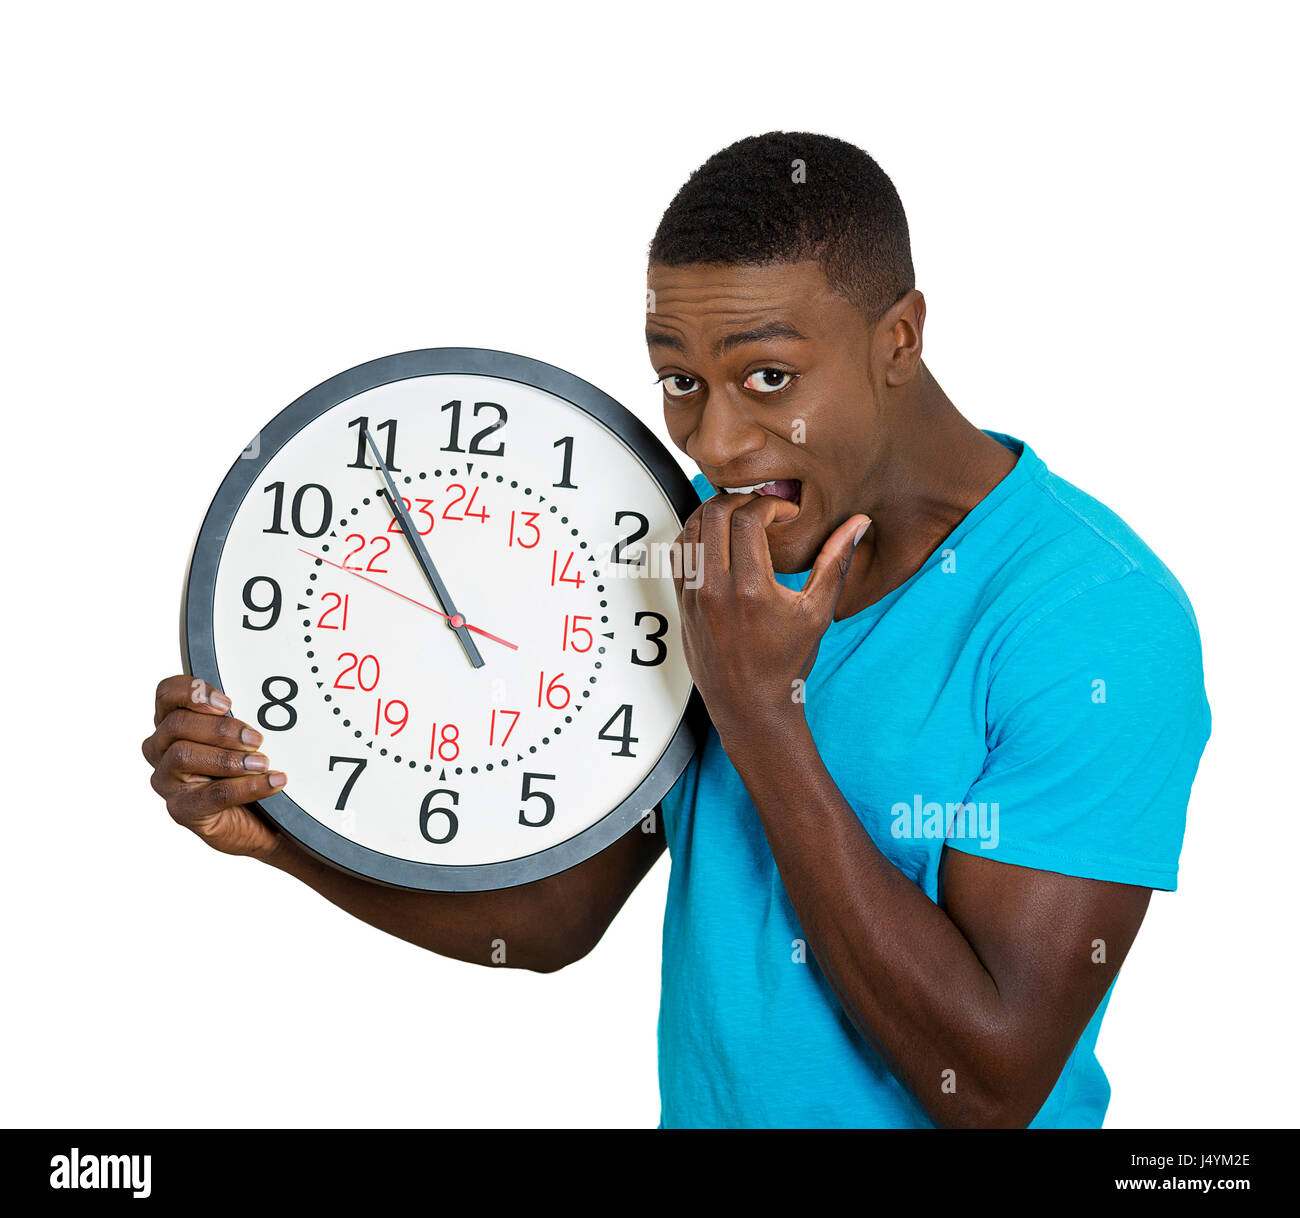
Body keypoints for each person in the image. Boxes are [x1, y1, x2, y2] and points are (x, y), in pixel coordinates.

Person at [142, 131, 1211, 1128]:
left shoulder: (1094, 619)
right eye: (681, 382)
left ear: (900, 338)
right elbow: (558, 917)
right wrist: (288, 839)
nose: (720, 438)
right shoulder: (691, 545)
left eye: (769, 378)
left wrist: (759, 710)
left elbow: (988, 1084)